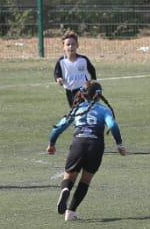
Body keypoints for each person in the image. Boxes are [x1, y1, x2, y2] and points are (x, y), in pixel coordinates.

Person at [46, 81, 125, 220]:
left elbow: (58, 127)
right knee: (85, 180)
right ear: (99, 96)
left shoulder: (77, 109)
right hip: (96, 146)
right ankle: (70, 213)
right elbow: (112, 125)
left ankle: (65, 190)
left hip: (78, 144)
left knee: (69, 176)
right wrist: (119, 144)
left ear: (83, 94)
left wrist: (51, 144)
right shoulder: (103, 110)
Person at [52, 31, 97, 109]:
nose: (70, 46)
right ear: (63, 47)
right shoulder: (61, 61)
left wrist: (93, 83)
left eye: (73, 44)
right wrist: (58, 79)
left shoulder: (83, 60)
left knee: (84, 109)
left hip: (83, 90)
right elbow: (57, 73)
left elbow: (92, 70)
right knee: (74, 110)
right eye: (68, 44)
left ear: (77, 45)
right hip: (69, 91)